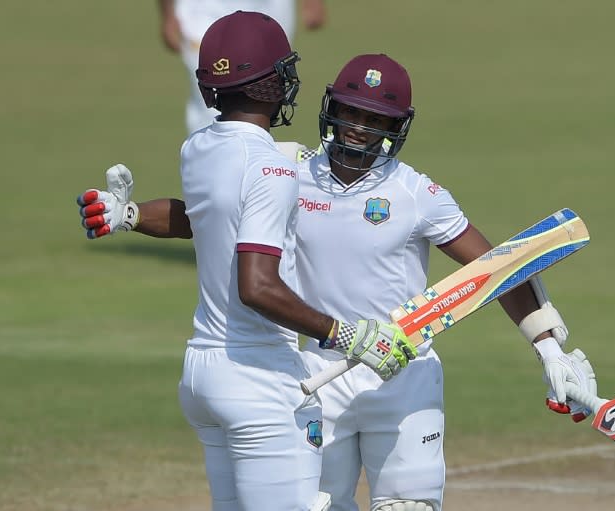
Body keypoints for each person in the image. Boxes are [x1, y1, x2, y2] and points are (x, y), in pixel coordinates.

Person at [77, 53, 598, 510]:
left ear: (398, 127)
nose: (356, 128)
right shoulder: (286, 170)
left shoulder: (419, 193)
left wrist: (550, 350)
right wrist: (129, 214)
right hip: (315, 373)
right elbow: (203, 214)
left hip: (403, 369)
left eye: (374, 119)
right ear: (330, 109)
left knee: (407, 507)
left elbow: (496, 268)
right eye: (349, 112)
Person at [78, 13, 418, 511]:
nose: (289, 81)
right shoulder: (273, 167)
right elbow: (255, 287)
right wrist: (347, 334)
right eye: (283, 71)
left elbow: (205, 216)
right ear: (267, 85)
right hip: (259, 379)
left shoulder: (197, 148)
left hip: (203, 375)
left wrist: (130, 214)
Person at [158, 0, 327, 134]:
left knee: (265, 97)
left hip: (268, 10)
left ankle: (257, 167)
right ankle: (213, 167)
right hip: (204, 14)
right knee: (212, 104)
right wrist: (168, 14)